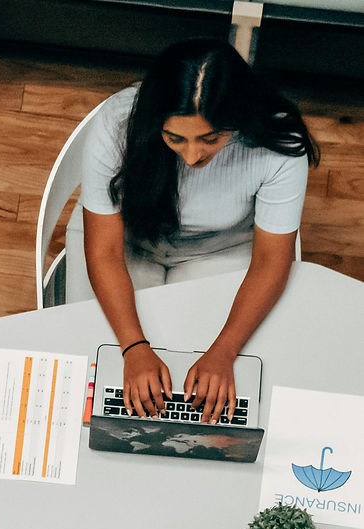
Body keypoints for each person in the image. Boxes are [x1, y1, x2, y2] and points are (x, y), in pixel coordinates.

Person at [70, 38, 319, 421]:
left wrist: (223, 350)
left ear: (238, 119)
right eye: (175, 138)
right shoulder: (117, 124)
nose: (191, 156)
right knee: (98, 365)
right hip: (129, 241)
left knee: (216, 376)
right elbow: (103, 250)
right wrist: (134, 346)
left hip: (220, 246)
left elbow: (271, 260)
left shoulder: (277, 143)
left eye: (211, 138)